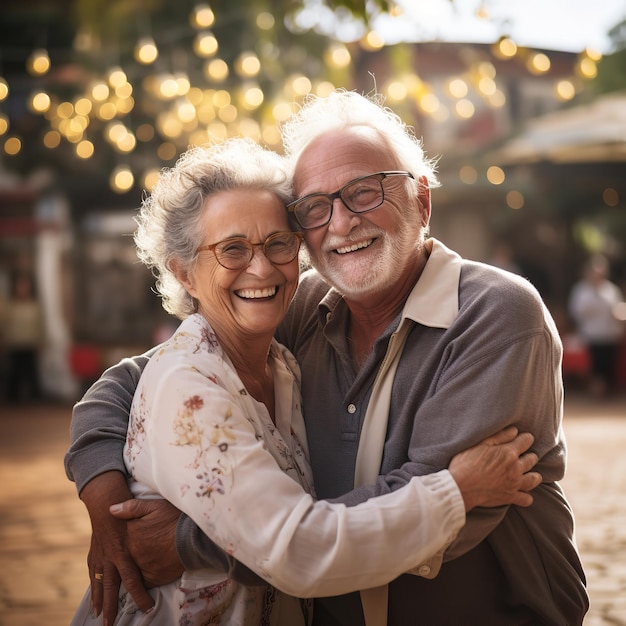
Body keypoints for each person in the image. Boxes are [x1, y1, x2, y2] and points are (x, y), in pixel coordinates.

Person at [65, 90, 588, 625]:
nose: (340, 223)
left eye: (364, 192)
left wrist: (191, 543)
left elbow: (448, 511)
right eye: (315, 207)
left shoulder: (495, 314)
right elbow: (134, 383)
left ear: (422, 201)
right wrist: (106, 501)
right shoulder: (301, 305)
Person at [568, 254, 625, 395]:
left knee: (608, 364)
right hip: (591, 335)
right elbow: (576, 312)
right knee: (595, 365)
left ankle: (606, 391)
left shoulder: (611, 290)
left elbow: (619, 309)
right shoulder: (581, 291)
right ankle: (595, 390)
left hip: (610, 334)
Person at [1, 271, 44, 402]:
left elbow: (39, 326)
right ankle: (12, 399)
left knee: (32, 373)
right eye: (20, 286)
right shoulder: (11, 307)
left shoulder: (34, 306)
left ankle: (34, 398)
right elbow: (6, 326)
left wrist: (40, 341)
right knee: (14, 373)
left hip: (29, 344)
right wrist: (4, 342)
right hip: (15, 344)